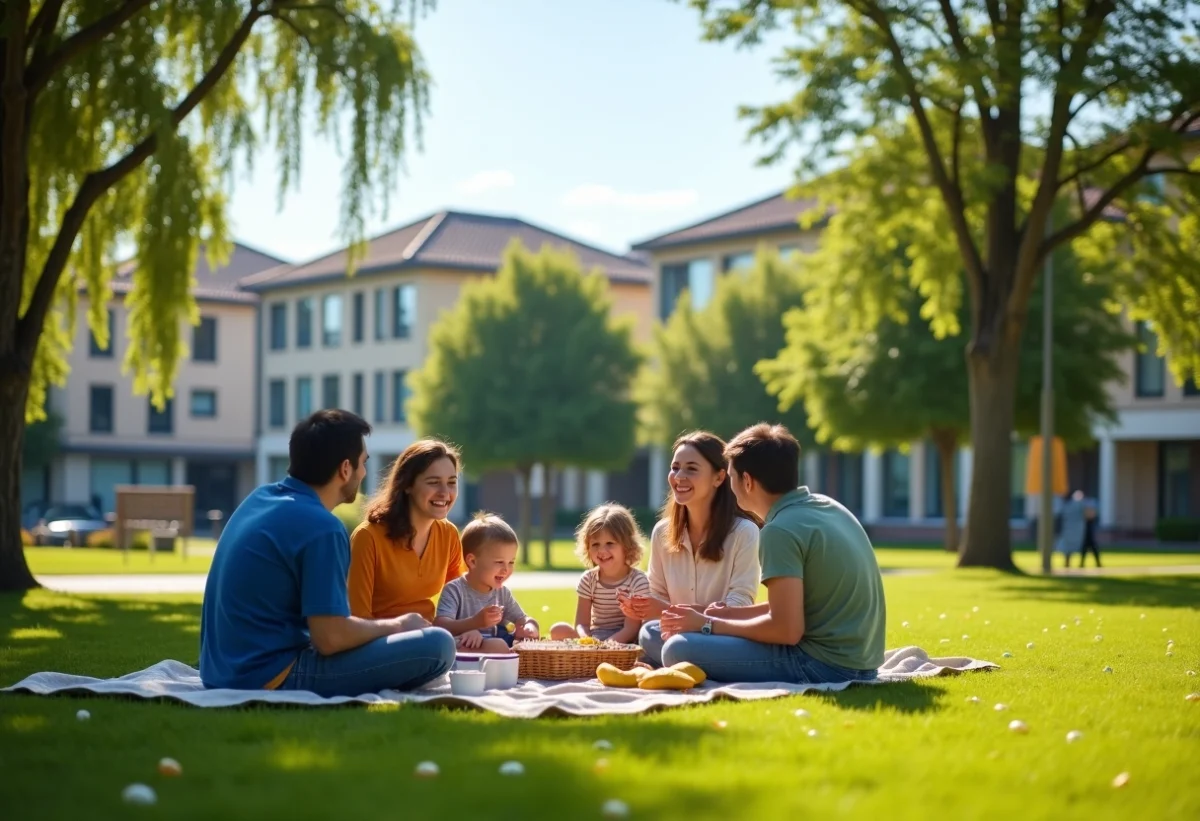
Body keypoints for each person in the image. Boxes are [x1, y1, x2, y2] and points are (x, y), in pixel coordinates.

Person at [199, 410, 456, 697]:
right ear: (345, 469)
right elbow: (330, 638)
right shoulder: (323, 528)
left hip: (218, 671)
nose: (363, 473)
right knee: (438, 646)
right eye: (362, 463)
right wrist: (399, 625)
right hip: (270, 675)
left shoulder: (259, 498)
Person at [659, 423, 885, 685]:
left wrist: (707, 624)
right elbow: (805, 605)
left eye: (731, 477)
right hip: (862, 664)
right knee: (657, 632)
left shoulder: (779, 531)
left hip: (820, 665)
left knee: (676, 649)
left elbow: (787, 629)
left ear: (747, 481)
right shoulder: (829, 508)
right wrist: (726, 615)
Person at [619, 431, 761, 666]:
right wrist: (642, 607)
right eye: (675, 468)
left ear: (718, 478)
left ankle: (680, 661)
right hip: (675, 636)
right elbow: (657, 597)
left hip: (722, 637)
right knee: (649, 634)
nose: (679, 476)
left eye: (691, 469)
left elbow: (739, 605)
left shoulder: (744, 532)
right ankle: (689, 662)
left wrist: (669, 610)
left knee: (675, 647)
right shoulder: (662, 533)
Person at [348, 439, 467, 621]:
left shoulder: (448, 534)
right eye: (433, 482)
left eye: (451, 482)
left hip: (429, 636)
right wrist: (401, 629)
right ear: (407, 485)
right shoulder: (368, 537)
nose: (445, 492)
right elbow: (358, 617)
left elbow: (458, 604)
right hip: (376, 640)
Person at [434, 513, 540, 651]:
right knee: (498, 646)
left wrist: (529, 626)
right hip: (465, 648)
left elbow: (522, 619)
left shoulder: (502, 593)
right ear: (472, 561)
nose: (506, 569)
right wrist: (474, 624)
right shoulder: (455, 590)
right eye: (499, 562)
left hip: (494, 645)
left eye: (511, 562)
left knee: (517, 643)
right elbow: (441, 625)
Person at [550, 503, 652, 643]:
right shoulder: (588, 579)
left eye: (610, 543)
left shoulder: (637, 581)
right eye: (595, 544)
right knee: (558, 630)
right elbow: (582, 624)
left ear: (627, 546)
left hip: (624, 642)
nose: (602, 551)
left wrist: (607, 646)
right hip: (596, 638)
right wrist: (587, 640)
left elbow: (631, 629)